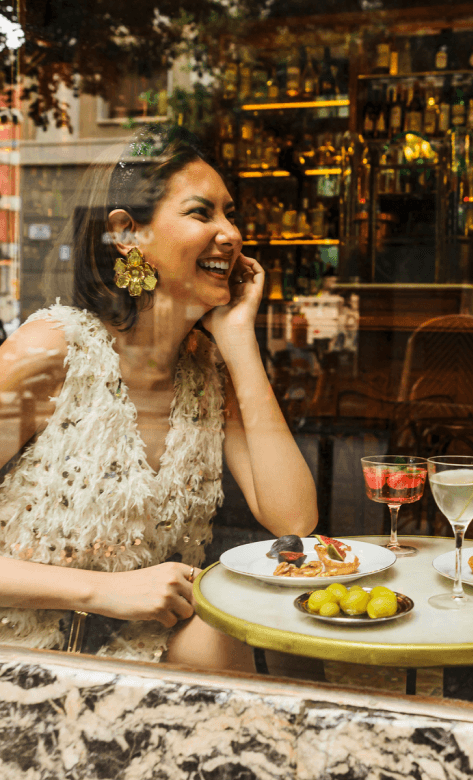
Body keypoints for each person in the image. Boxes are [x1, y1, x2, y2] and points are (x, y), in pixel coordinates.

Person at [0, 125, 317, 671]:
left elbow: (295, 519)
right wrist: (104, 591)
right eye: (201, 213)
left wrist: (239, 341)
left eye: (230, 214)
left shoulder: (207, 370)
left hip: (133, 652)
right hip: (23, 656)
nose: (231, 234)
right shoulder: (51, 351)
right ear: (127, 233)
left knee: (258, 633)